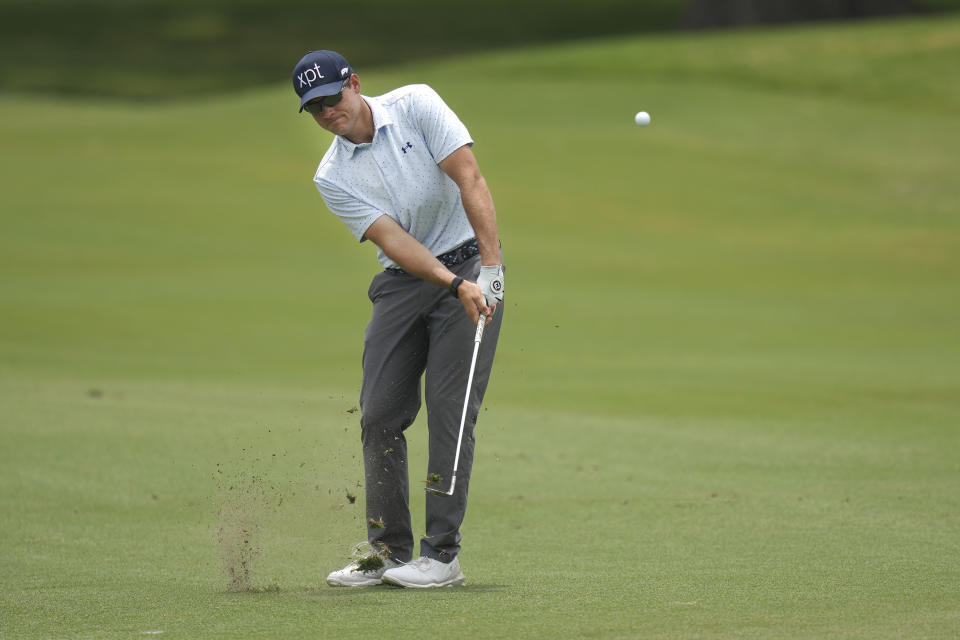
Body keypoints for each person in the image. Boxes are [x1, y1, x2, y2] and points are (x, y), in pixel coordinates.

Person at [292, 50, 505, 588]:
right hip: (406, 283)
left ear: (355, 84)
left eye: (332, 98)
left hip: (471, 262)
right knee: (380, 413)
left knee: (450, 414)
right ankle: (387, 552)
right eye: (314, 108)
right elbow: (395, 241)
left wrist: (489, 271)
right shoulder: (331, 175)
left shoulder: (417, 104)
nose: (326, 113)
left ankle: (441, 555)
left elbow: (470, 178)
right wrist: (451, 284)